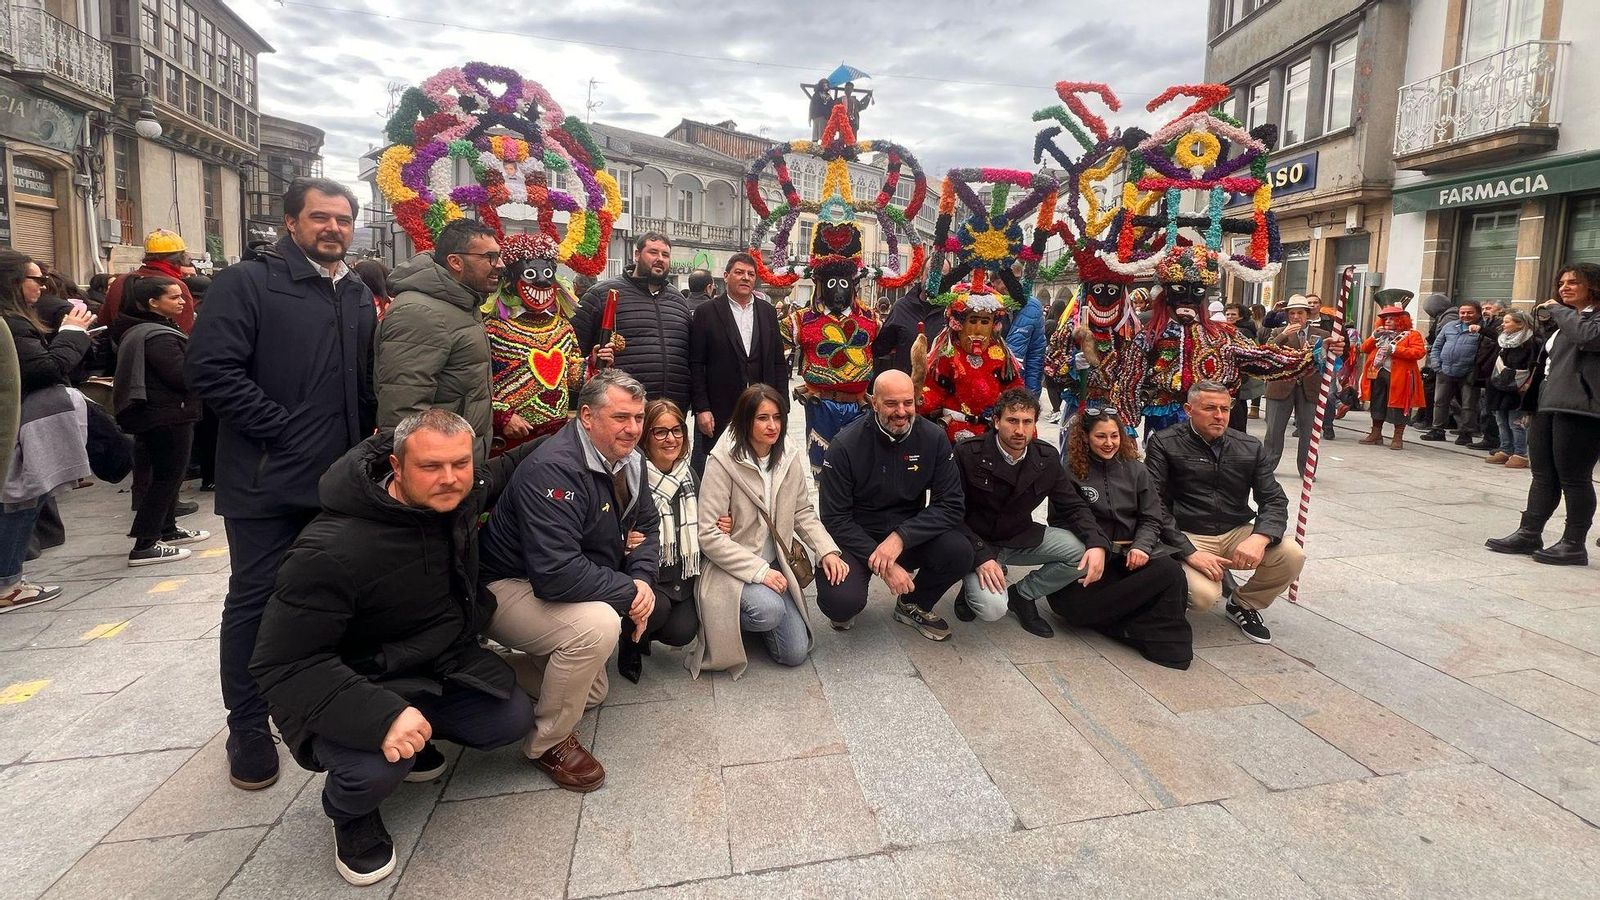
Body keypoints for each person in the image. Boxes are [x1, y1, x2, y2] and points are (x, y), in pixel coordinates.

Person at [250, 410, 537, 887]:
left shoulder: (458, 494)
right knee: (373, 770)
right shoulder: (328, 550)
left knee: (508, 720)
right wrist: (380, 717)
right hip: (349, 680)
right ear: (396, 467)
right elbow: (282, 663)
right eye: (431, 467)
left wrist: (590, 426)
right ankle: (350, 812)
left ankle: (414, 735)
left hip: (431, 663)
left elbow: (508, 467)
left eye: (460, 464)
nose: (450, 479)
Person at [187, 177, 376, 792]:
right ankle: (246, 724)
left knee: (332, 597)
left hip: (339, 485)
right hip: (268, 482)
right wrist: (282, 430)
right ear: (290, 223)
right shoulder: (248, 282)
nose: (334, 229)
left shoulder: (351, 293)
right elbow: (211, 369)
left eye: (344, 220)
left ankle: (322, 702)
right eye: (321, 218)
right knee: (255, 601)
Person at [477, 369, 659, 792]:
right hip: (502, 587)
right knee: (597, 627)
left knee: (591, 692)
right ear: (587, 416)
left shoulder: (630, 459)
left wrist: (643, 578)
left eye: (638, 417)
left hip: (556, 580)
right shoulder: (554, 469)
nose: (632, 428)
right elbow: (555, 574)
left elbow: (647, 525)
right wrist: (630, 590)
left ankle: (487, 672)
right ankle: (548, 743)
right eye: (620, 417)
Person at [692, 384, 847, 676]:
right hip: (734, 566)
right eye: (762, 418)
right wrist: (760, 573)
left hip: (776, 560)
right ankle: (733, 616)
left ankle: (755, 619)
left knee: (795, 652)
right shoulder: (722, 460)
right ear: (745, 420)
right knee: (769, 611)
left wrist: (826, 550)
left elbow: (802, 510)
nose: (772, 425)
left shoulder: (786, 454)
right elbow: (709, 535)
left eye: (777, 417)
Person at [1145, 381, 1306, 644]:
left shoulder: (1249, 446)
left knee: (1292, 555)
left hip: (1235, 529)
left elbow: (1274, 499)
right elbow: (1154, 504)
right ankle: (1173, 588)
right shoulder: (1165, 443)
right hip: (1187, 531)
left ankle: (1243, 603)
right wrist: (1189, 552)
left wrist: (1260, 537)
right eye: (1209, 408)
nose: (1219, 416)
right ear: (1189, 409)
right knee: (1203, 597)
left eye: (1225, 408)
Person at [816, 370, 971, 639]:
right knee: (840, 602)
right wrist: (884, 564)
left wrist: (901, 537)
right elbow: (834, 517)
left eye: (908, 403)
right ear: (873, 403)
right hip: (857, 536)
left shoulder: (933, 438)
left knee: (959, 551)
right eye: (891, 404)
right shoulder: (845, 445)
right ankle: (848, 603)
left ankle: (913, 603)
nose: (901, 411)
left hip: (907, 532)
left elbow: (951, 505)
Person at [952, 388, 1107, 637]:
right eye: (1012, 421)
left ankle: (1023, 595)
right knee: (991, 609)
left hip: (1019, 536)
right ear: (996, 421)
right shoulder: (968, 453)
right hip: (976, 541)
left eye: (1027, 422)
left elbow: (1074, 505)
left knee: (1082, 553)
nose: (1020, 430)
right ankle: (970, 586)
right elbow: (950, 513)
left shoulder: (1045, 457)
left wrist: (1097, 543)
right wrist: (980, 555)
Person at [1053, 407, 1193, 669]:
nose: (1109, 443)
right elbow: (1059, 521)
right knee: (1068, 605)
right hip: (1094, 557)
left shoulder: (1137, 470)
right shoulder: (1070, 472)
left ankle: (1137, 630)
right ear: (1085, 438)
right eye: (1101, 437)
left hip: (1133, 558)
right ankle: (1135, 627)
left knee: (1170, 572)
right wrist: (1096, 546)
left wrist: (1141, 547)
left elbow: (1152, 517)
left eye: (1114, 436)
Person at [1487, 263, 1600, 566]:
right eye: (1561, 283)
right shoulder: (1569, 319)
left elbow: (1588, 338)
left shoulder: (1587, 320)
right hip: (1549, 404)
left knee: (1574, 477)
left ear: (1594, 286)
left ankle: (1574, 544)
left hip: (1582, 408)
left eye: (1574, 282)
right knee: (1543, 475)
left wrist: (1560, 312)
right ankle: (1529, 532)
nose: (1564, 287)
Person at [0, 250, 92, 611]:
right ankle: (8, 583)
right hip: (18, 428)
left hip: (18, 424)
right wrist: (72, 334)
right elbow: (45, 370)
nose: (42, 287)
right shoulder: (13, 323)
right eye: (35, 280)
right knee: (21, 502)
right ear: (13, 283)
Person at [377, 219, 499, 460]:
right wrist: (430, 473)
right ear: (455, 262)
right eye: (490, 257)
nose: (500, 265)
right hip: (440, 469)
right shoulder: (420, 313)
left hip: (459, 459)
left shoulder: (462, 303)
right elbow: (403, 413)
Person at [111, 275, 208, 566]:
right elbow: (182, 376)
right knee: (166, 477)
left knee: (169, 475)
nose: (182, 302)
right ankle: (145, 543)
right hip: (167, 414)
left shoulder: (148, 329)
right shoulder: (158, 336)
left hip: (163, 413)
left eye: (182, 296)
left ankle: (168, 529)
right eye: (174, 297)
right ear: (153, 303)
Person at [619, 399, 703, 683]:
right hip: (647, 574)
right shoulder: (631, 476)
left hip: (682, 574)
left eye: (677, 430)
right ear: (646, 437)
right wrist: (621, 537)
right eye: (660, 432)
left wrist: (719, 521)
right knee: (657, 609)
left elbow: (703, 518)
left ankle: (644, 632)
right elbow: (604, 524)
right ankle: (628, 641)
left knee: (682, 632)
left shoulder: (689, 475)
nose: (671, 439)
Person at [483, 233, 584, 450]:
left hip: (556, 437)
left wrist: (593, 364)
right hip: (508, 440)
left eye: (548, 273)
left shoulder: (563, 327)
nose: (541, 280)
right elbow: (474, 384)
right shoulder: (493, 328)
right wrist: (502, 415)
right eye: (530, 274)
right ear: (510, 280)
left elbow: (574, 377)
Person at [688, 253, 787, 474]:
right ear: (726, 276)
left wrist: (782, 407)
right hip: (720, 407)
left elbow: (778, 362)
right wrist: (702, 408)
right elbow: (697, 364)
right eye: (739, 272)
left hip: (762, 406)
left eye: (751, 274)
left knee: (760, 466)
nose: (746, 278)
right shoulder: (707, 312)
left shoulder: (767, 312)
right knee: (721, 469)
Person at [574, 232, 693, 412]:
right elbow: (574, 352)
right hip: (621, 408)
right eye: (653, 252)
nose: (660, 259)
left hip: (671, 409)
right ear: (637, 255)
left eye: (665, 254)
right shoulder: (601, 294)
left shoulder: (678, 300)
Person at [1262, 295, 1346, 476]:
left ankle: (1307, 470)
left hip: (1311, 387)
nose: (1295, 317)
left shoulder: (1323, 335)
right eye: (1291, 313)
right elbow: (1266, 354)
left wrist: (1332, 349)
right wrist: (1285, 335)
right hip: (1280, 387)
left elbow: (1332, 359)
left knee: (1309, 432)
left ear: (1308, 314)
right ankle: (1267, 467)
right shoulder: (1278, 332)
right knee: (1274, 431)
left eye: (1300, 312)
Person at [1358, 291, 1427, 450]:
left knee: (1400, 406)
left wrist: (1395, 349)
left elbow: (1419, 353)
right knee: (1377, 403)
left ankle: (1398, 437)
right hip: (1378, 374)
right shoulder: (1380, 335)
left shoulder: (1412, 335)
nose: (1387, 321)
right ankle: (1376, 433)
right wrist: (1374, 336)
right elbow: (1364, 348)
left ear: (1401, 320)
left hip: (1401, 376)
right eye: (1385, 318)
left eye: (1391, 318)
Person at [96, 229, 200, 333]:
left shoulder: (120, 280)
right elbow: (185, 329)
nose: (181, 301)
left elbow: (103, 321)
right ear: (181, 258)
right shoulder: (176, 286)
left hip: (120, 345)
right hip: (164, 345)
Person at [1421, 301, 1485, 443]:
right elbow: (1436, 346)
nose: (1465, 315)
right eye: (1463, 312)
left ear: (1478, 313)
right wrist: (1437, 366)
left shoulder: (1483, 329)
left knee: (1469, 404)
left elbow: (1486, 350)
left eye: (1470, 312)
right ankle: (1437, 430)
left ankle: (1466, 433)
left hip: (1469, 372)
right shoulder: (1450, 326)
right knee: (1440, 402)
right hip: (1445, 370)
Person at [1483, 308, 1538, 468]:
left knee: (1516, 421)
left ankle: (1520, 453)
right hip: (1499, 385)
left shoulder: (1531, 342)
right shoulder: (1503, 340)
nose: (1503, 325)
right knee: (1501, 419)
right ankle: (1505, 449)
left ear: (1520, 324)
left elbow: (1533, 366)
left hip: (1517, 387)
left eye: (1507, 322)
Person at [871, 281, 947, 380]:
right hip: (904, 386)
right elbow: (881, 348)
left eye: (943, 275)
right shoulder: (901, 307)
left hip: (939, 387)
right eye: (930, 271)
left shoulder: (954, 312)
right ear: (921, 275)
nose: (935, 278)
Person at [1004, 288, 1047, 395]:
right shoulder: (981, 303)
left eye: (1017, 278)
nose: (1012, 284)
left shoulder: (1033, 307)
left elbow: (1036, 355)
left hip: (1018, 387)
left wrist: (1031, 395)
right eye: (1004, 278)